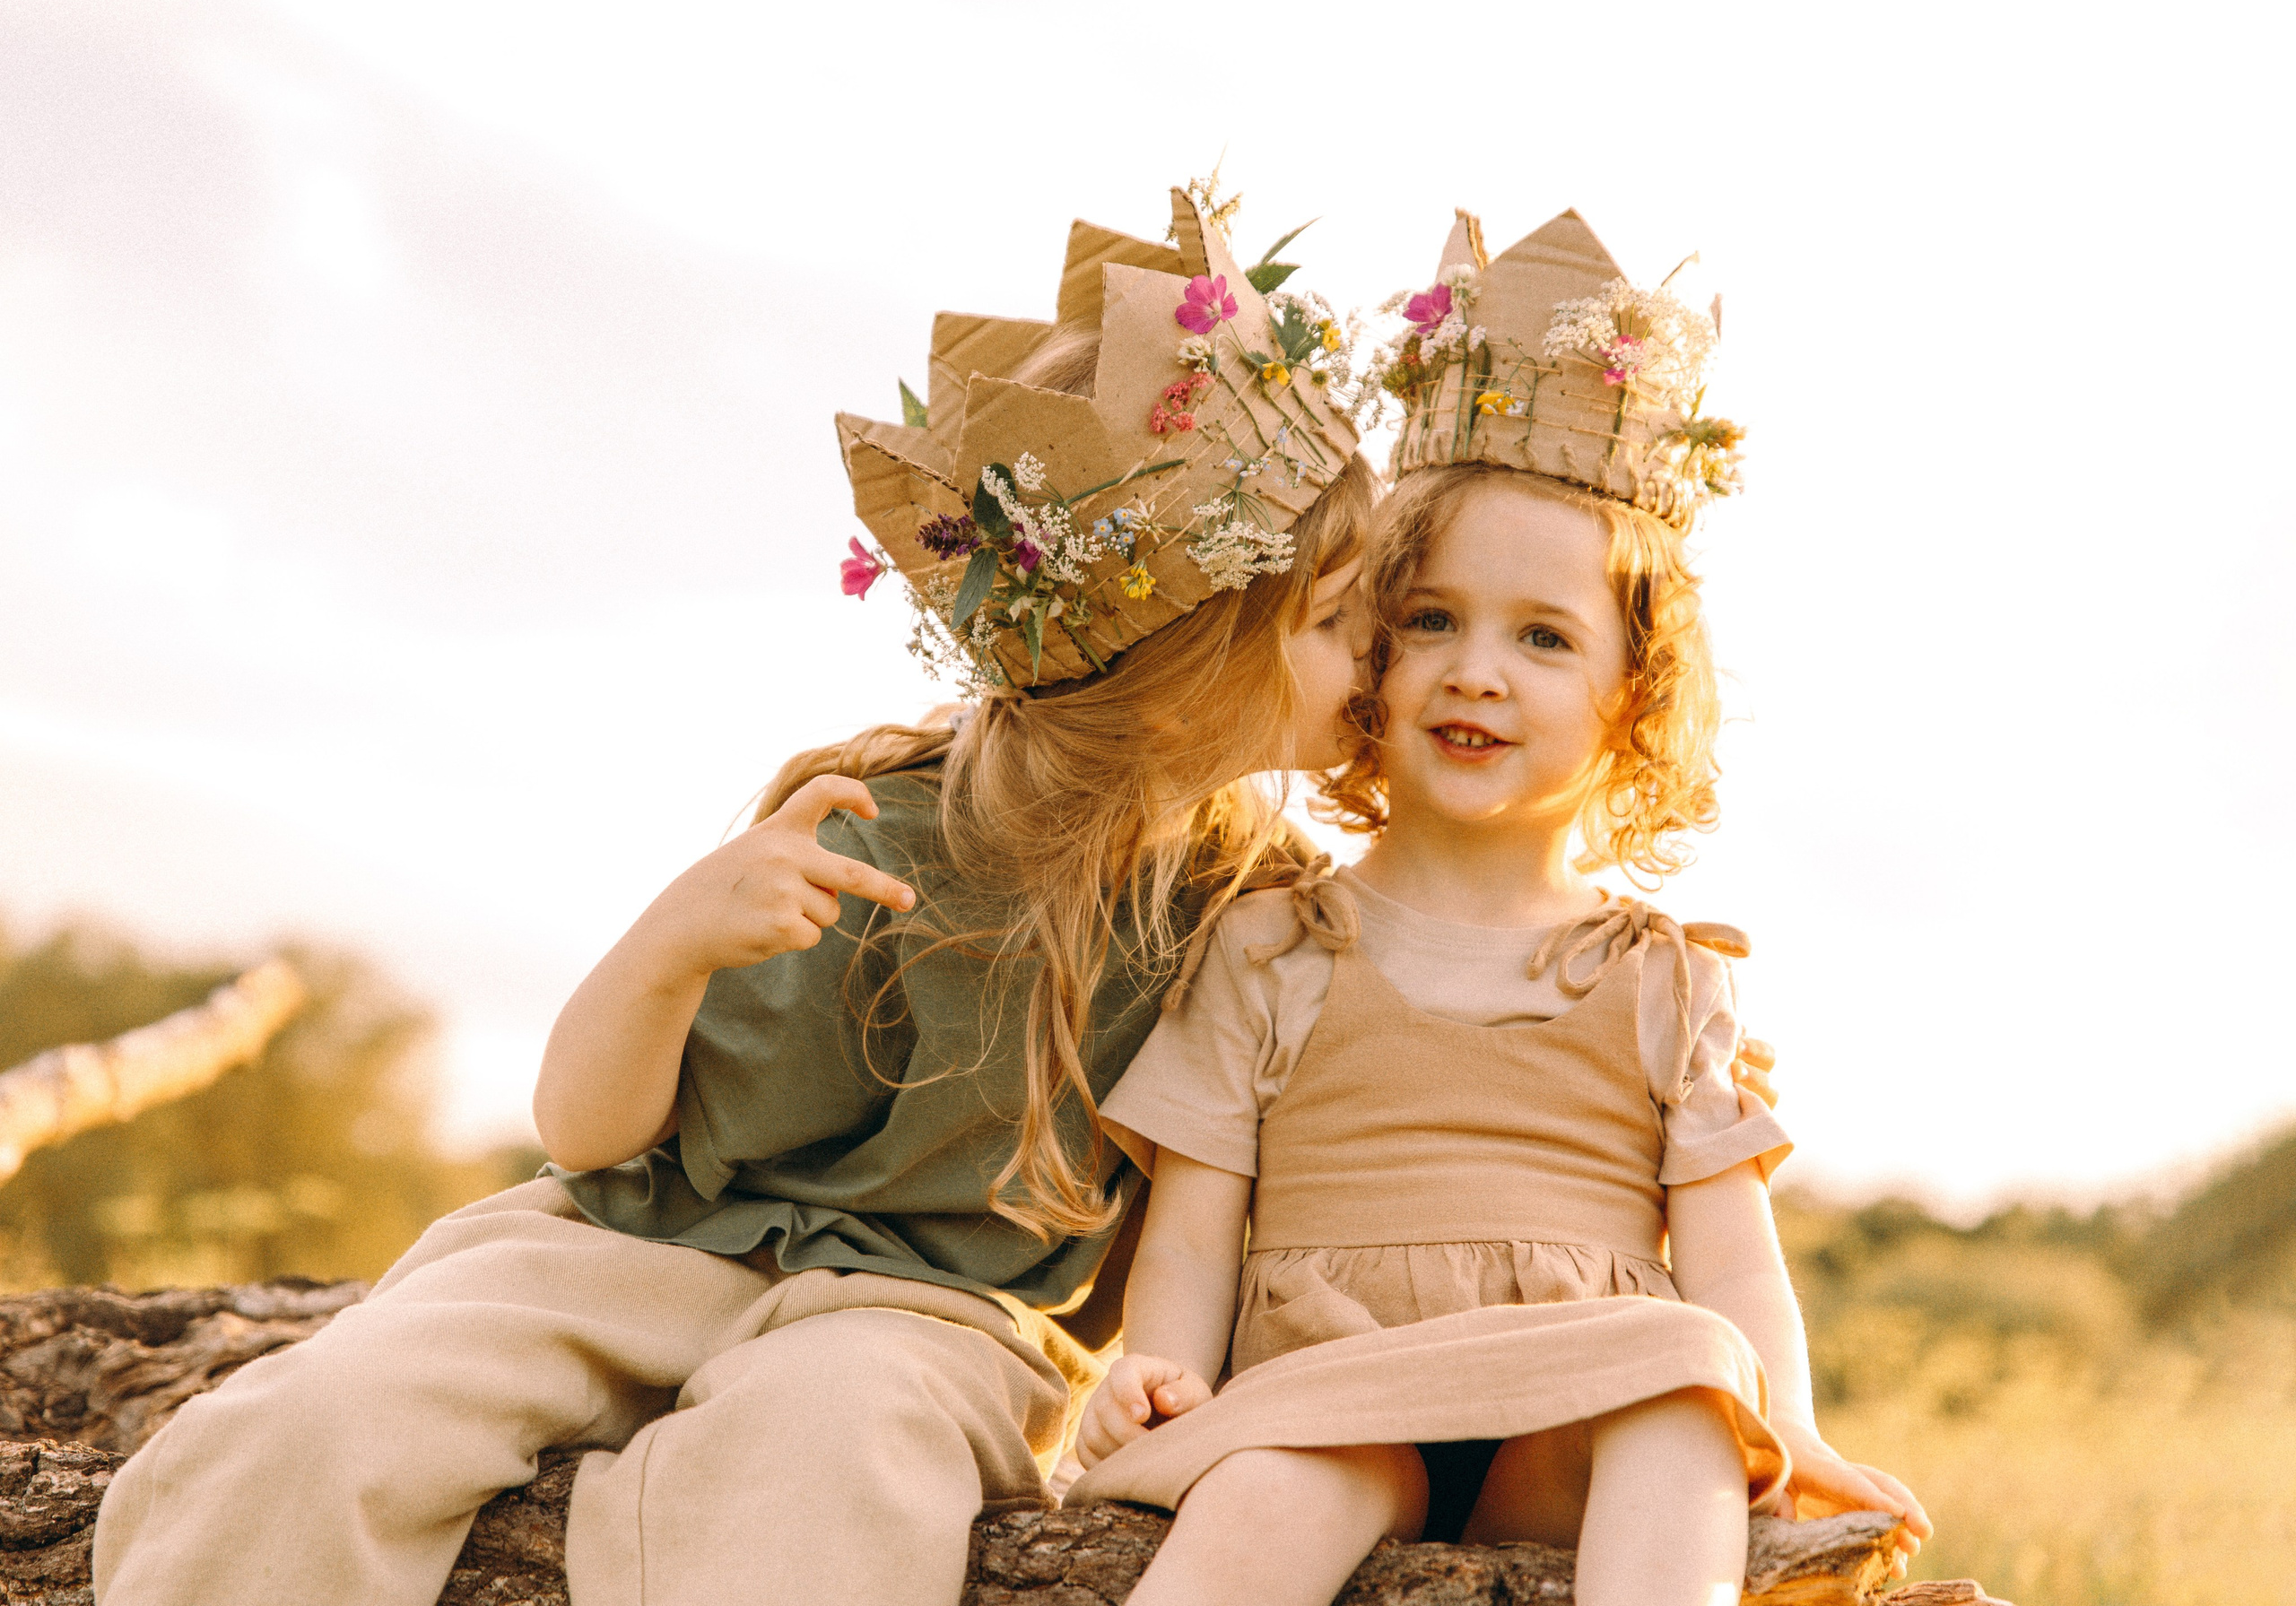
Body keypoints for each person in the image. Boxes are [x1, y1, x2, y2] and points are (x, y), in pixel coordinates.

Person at [91, 187, 1382, 1606]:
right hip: (635, 1242)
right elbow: (587, 1130)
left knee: (821, 1465)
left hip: (929, 1318)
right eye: (1329, 619)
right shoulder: (876, 824)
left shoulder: (1260, 915)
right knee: (316, 1427)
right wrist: (671, 946)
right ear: (1179, 660)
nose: (1375, 645)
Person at [1064, 209, 1929, 1606]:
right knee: (1281, 1486)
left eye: (1543, 637)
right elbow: (1193, 1224)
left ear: (1632, 695)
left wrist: (1796, 1424)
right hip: (1333, 1398)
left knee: (1685, 1401)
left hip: (1570, 1409)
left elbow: (1728, 1254)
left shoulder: (1661, 975)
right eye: (1431, 621)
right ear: (1366, 656)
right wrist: (1160, 1370)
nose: (1478, 672)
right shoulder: (1273, 941)